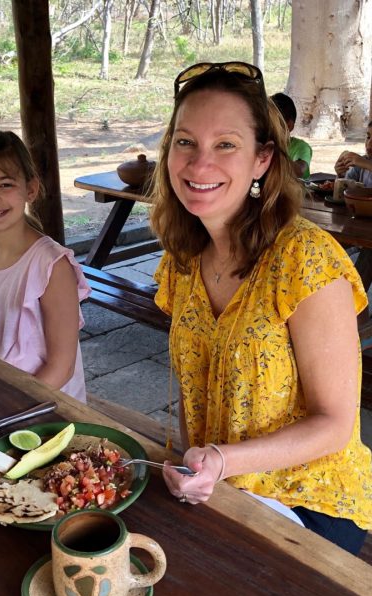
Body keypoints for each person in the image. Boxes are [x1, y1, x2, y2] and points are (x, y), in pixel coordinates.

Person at [150, 61, 372, 555]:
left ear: (262, 159)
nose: (199, 164)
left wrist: (221, 463)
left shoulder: (305, 261)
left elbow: (335, 424)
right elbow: (195, 387)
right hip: (219, 482)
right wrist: (201, 466)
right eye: (185, 142)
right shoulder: (181, 260)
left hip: (310, 499)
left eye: (225, 145)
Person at [0, 130, 90, 402]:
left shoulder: (50, 265)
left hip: (44, 410)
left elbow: (60, 368)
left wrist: (5, 409)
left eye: (5, 185)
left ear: (31, 189)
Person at [270, 92, 312, 178]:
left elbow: (299, 170)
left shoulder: (301, 147)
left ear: (289, 126)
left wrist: (272, 152)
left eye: (272, 122)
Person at [334, 120, 372, 188]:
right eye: (368, 137)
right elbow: (345, 189)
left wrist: (366, 164)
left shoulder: (362, 162)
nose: (369, 142)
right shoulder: (360, 165)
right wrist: (341, 175)